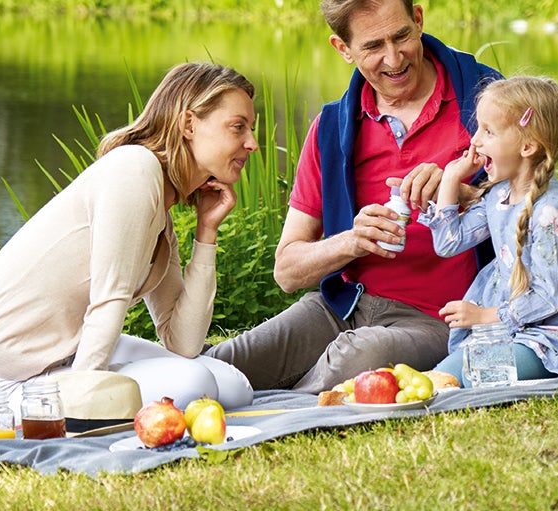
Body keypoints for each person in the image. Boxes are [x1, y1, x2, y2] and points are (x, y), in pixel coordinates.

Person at [205, 0, 501, 393]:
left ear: (418, 19)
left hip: (444, 318)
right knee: (223, 364)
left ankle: (286, 411)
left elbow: (539, 204)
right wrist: (351, 242)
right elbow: (287, 271)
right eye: (373, 46)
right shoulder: (331, 128)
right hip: (344, 304)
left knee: (357, 356)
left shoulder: (487, 98)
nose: (394, 58)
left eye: (401, 37)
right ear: (342, 49)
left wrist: (462, 193)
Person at [0, 62, 258, 420]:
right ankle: (79, 402)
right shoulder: (135, 170)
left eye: (250, 128)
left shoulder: (162, 213)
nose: (251, 143)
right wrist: (86, 396)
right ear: (189, 124)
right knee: (194, 383)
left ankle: (87, 391)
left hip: (66, 354)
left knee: (233, 386)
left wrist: (207, 233)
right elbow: (108, 299)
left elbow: (183, 342)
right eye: (238, 127)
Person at [419, 76, 558, 386]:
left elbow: (551, 298)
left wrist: (485, 316)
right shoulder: (498, 196)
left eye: (488, 131)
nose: (475, 142)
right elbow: (448, 243)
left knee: (462, 376)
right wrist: (450, 181)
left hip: (554, 335)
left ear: (527, 145)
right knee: (449, 375)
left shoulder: (551, 210)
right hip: (511, 327)